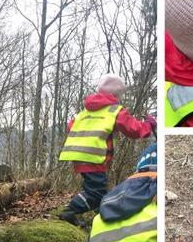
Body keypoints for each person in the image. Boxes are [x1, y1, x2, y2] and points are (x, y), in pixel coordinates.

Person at [57, 73, 156, 227]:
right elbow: (135, 129)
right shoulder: (115, 110)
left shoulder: (85, 111)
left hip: (77, 155)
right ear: (116, 94)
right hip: (94, 157)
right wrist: (149, 124)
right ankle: (70, 211)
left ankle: (100, 221)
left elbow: (70, 126)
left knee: (100, 190)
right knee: (96, 193)